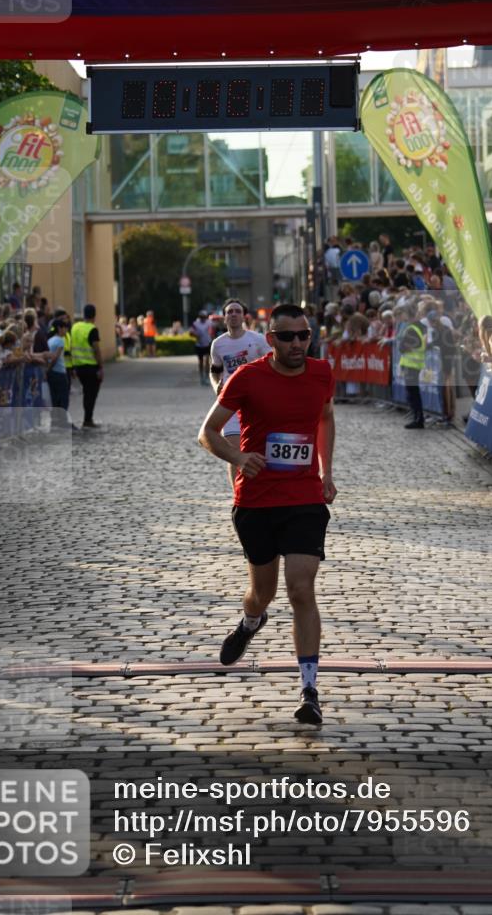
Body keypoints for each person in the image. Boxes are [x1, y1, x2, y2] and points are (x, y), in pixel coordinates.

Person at [198, 303, 337, 726]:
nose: (298, 344)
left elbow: (326, 419)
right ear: (271, 338)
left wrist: (326, 471)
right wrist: (239, 457)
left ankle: (309, 690)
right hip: (256, 502)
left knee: (300, 589)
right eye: (288, 336)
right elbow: (207, 433)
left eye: (305, 335)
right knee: (264, 592)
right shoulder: (247, 377)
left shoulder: (322, 374)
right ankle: (250, 621)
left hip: (304, 498)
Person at [209, 298, 271, 489]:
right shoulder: (218, 344)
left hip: (256, 401)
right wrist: (216, 387)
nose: (233, 315)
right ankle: (238, 496)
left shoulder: (257, 340)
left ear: (244, 316)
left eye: (237, 311)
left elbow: (272, 364)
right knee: (234, 452)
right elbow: (215, 370)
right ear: (224, 318)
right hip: (231, 403)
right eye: (229, 312)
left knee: (259, 448)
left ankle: (262, 488)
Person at [71, 304, 104, 429]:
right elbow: (96, 349)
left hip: (78, 366)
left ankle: (87, 418)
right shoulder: (92, 329)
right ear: (94, 315)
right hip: (91, 366)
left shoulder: (75, 327)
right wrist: (101, 367)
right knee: (91, 393)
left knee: (87, 392)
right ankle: (88, 419)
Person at [398, 305, 427, 429]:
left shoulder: (411, 329)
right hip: (415, 364)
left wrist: (403, 346)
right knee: (414, 393)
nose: (402, 316)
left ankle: (418, 419)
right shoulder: (421, 326)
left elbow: (402, 347)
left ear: (408, 315)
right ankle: (417, 417)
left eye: (403, 313)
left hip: (411, 365)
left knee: (413, 394)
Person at [189, 310, 214, 385]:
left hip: (207, 344)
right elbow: (190, 333)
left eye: (204, 317)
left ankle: (206, 377)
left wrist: (212, 335)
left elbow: (214, 328)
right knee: (200, 362)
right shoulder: (195, 323)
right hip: (199, 345)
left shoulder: (209, 322)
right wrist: (196, 335)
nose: (203, 318)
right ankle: (201, 377)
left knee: (207, 360)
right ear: (199, 317)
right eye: (201, 317)